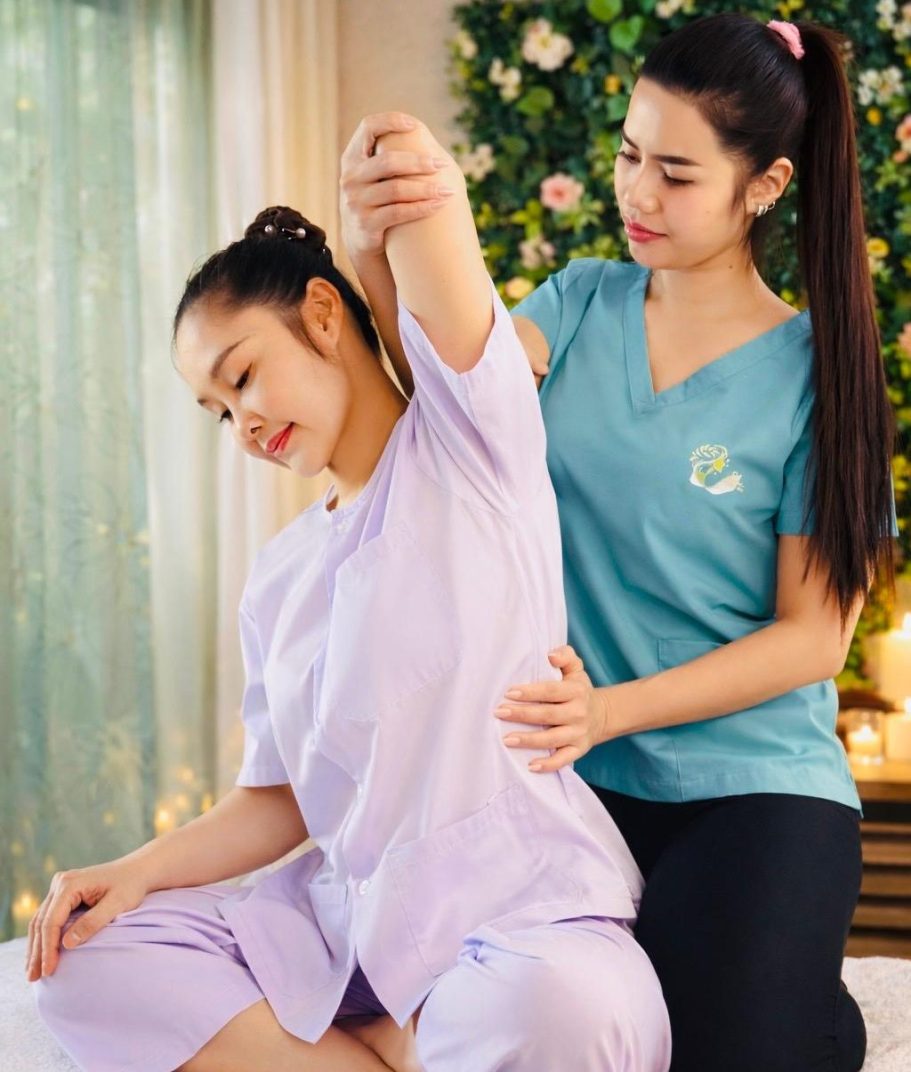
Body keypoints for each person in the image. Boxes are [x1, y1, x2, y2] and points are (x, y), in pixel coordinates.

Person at [27, 117, 672, 1071]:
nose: (243, 425)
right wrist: (130, 872)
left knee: (570, 1010)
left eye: (243, 376)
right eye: (218, 412)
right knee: (75, 966)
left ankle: (382, 1044)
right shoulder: (279, 576)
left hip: (518, 914)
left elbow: (427, 211)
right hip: (348, 930)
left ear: (324, 315)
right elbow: (277, 802)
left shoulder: (470, 448)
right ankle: (390, 1048)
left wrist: (380, 202)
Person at [340, 14, 898, 1072]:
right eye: (629, 155)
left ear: (764, 185)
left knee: (725, 1047)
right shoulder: (578, 302)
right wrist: (372, 256)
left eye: (675, 174)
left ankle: (819, 1016)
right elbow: (451, 412)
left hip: (753, 782)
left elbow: (813, 638)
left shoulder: (817, 375)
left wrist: (607, 710)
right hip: (574, 782)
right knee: (589, 1026)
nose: (636, 193)